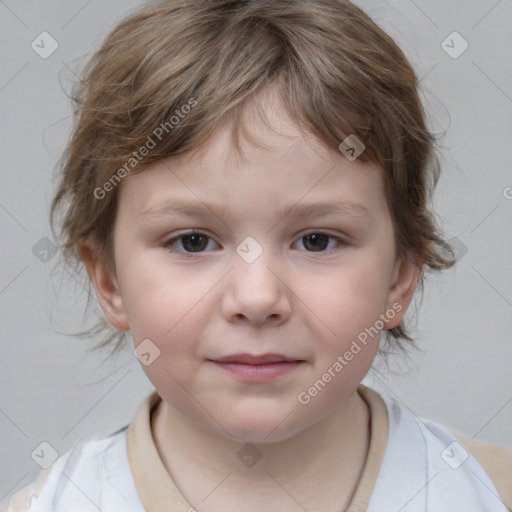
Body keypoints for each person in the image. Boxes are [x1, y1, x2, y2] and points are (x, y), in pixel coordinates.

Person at [5, 1, 512, 511]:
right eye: (193, 241)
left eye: (317, 240)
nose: (257, 297)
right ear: (109, 280)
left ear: (401, 277)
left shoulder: (491, 492)